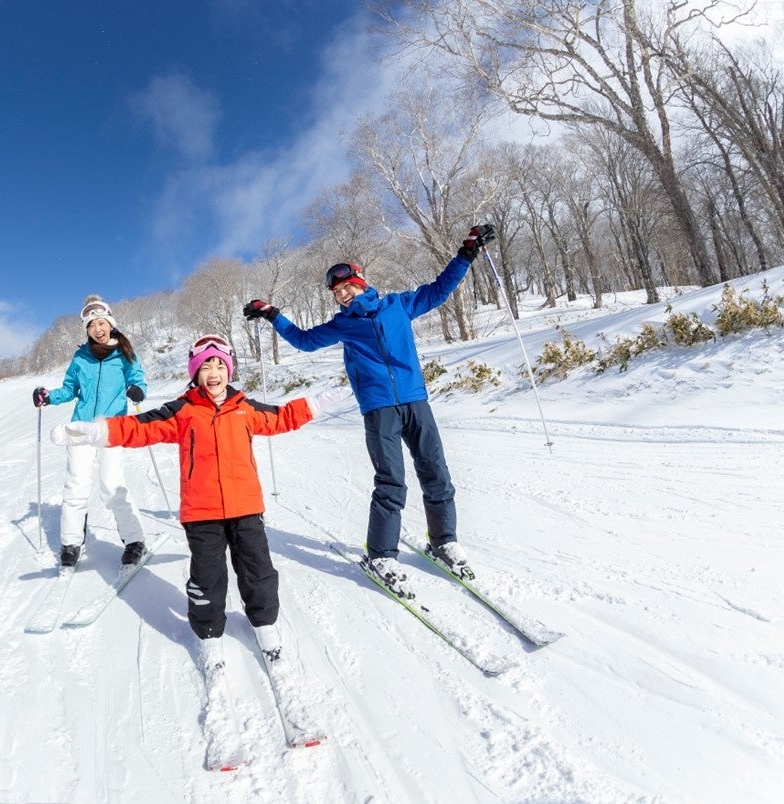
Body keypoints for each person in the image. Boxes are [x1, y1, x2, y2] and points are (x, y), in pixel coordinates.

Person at [50, 334, 343, 666]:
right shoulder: (184, 409)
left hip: (246, 507)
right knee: (207, 577)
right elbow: (140, 427)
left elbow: (281, 417)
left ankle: (264, 625)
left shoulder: (243, 407)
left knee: (258, 571)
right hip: (201, 512)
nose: (214, 371)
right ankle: (208, 634)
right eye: (206, 365)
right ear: (195, 371)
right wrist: (95, 432)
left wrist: (317, 403)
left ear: (229, 370)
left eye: (220, 364)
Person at [243, 225, 496, 599]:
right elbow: (304, 341)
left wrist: (467, 253)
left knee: (436, 472)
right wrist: (273, 315)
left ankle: (443, 541)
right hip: (378, 409)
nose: (343, 294)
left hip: (415, 401)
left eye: (348, 287)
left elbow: (441, 289)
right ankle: (381, 557)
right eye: (337, 292)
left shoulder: (398, 305)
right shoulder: (343, 325)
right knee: (391, 480)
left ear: (361, 282)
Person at [32, 295, 148, 567]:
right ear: (86, 329)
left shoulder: (124, 352)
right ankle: (71, 543)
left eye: (101, 322)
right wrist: (49, 396)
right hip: (81, 427)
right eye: (92, 324)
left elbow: (138, 378)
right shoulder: (80, 357)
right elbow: (70, 389)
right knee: (76, 486)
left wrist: (138, 390)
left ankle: (134, 540)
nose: (98, 328)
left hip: (112, 428)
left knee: (112, 485)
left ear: (110, 323)